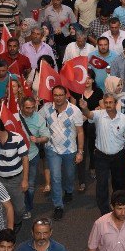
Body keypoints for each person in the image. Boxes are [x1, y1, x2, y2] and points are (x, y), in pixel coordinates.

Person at [79, 93, 125, 215]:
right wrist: (84, 107)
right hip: (101, 156)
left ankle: (119, 205)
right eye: (106, 103)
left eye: (111, 102)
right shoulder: (99, 115)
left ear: (116, 104)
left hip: (118, 156)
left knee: (119, 183)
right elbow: (88, 114)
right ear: (104, 104)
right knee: (101, 184)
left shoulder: (123, 118)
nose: (108, 105)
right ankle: (104, 211)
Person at [38, 85, 84, 221]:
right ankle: (58, 206)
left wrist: (80, 152)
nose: (58, 98)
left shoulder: (74, 111)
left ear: (66, 96)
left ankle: (69, 190)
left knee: (69, 175)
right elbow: (35, 118)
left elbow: (80, 132)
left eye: (60, 95)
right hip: (52, 149)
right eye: (55, 95)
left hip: (70, 150)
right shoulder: (46, 108)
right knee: (56, 178)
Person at [0, 117, 29, 232]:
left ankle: (17, 221)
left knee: (19, 208)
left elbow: (25, 159)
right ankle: (4, 227)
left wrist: (25, 180)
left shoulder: (17, 139)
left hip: (15, 180)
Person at [19, 96, 50, 219]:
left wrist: (38, 139)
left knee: (30, 185)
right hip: (15, 158)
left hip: (31, 155)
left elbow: (46, 136)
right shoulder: (15, 117)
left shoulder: (39, 119)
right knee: (16, 185)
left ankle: (27, 208)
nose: (30, 110)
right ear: (22, 107)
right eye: (27, 108)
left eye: (33, 108)